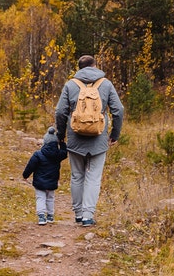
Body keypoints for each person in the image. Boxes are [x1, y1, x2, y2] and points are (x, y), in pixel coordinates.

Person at [55, 55, 124, 227]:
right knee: (93, 177)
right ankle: (87, 216)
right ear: (95, 66)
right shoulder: (106, 84)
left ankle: (78, 214)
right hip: (99, 139)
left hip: (75, 138)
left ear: (79, 68)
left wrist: (61, 134)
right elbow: (119, 110)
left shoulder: (71, 85)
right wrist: (114, 134)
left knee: (77, 176)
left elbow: (60, 112)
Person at [22, 126, 68, 225]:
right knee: (50, 198)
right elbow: (65, 153)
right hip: (52, 181)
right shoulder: (58, 154)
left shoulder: (38, 154)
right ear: (56, 143)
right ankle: (50, 216)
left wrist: (25, 175)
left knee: (40, 198)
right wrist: (62, 143)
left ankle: (42, 216)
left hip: (39, 182)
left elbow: (30, 166)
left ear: (45, 142)